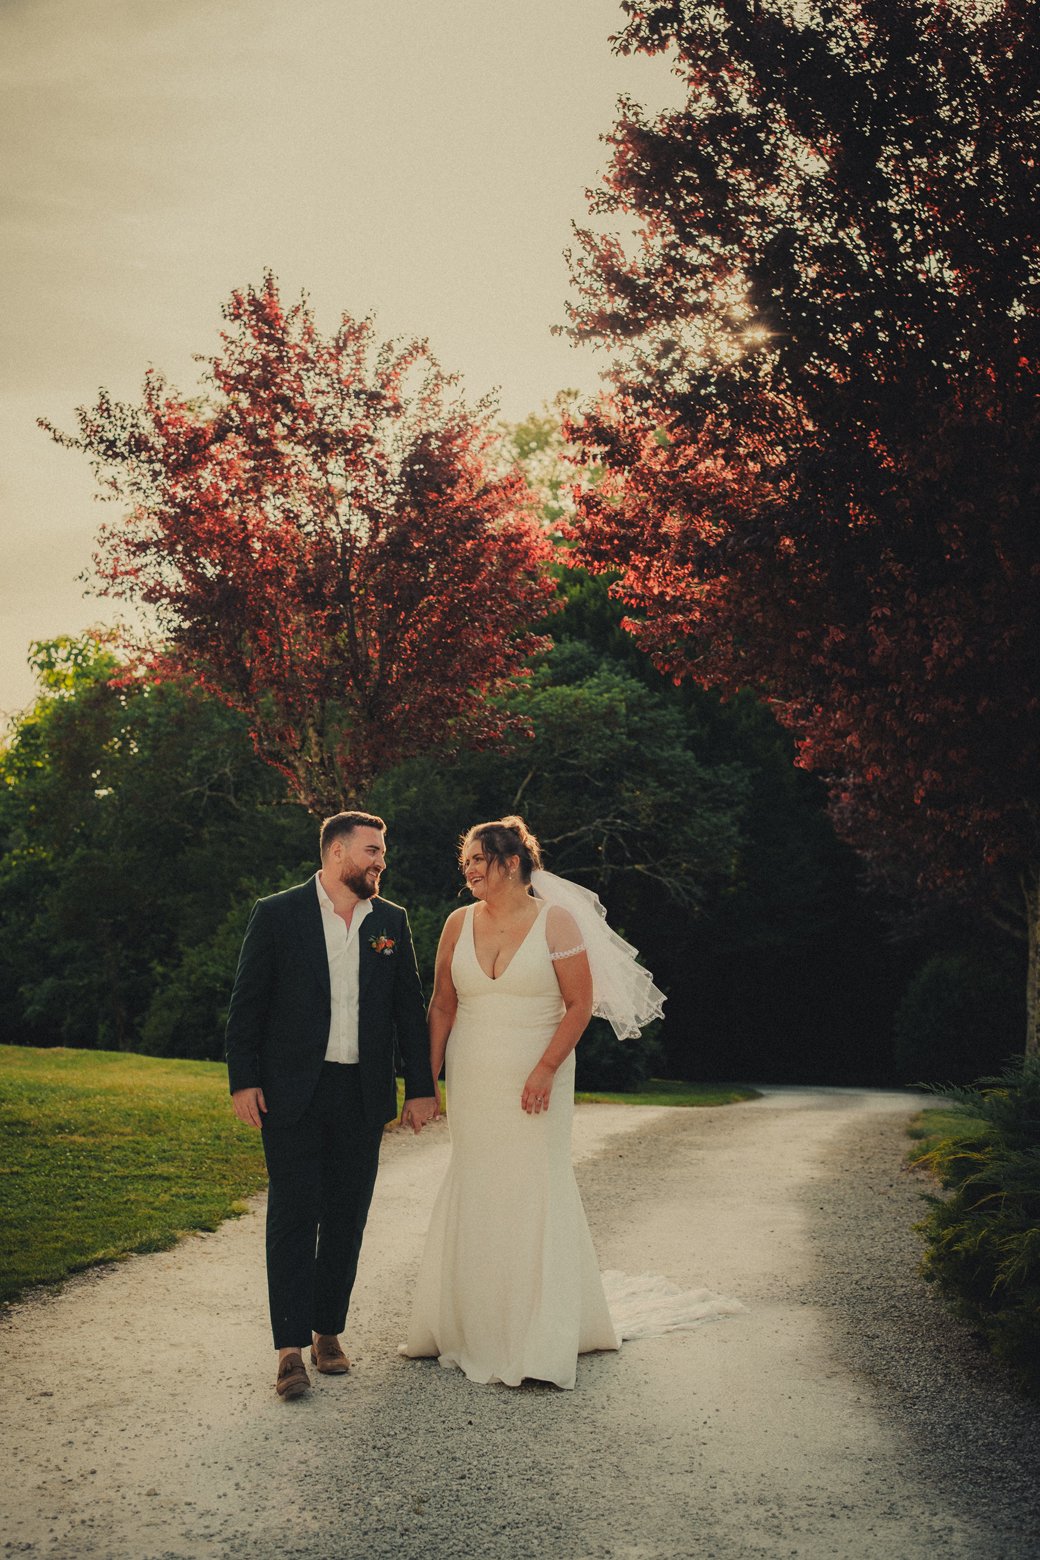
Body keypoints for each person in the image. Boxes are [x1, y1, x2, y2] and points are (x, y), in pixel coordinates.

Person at [399, 814, 667, 1390]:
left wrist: (546, 1067)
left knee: (532, 1185)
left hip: (539, 1076)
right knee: (477, 1181)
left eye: (478, 858)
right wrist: (427, 1079)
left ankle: (537, 1333)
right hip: (475, 1077)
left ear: (512, 863)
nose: (467, 868)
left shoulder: (557, 921)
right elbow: (443, 1005)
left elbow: (579, 1003)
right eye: (464, 860)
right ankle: (467, 1325)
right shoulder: (456, 923)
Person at [226, 809, 438, 1400]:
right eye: (372, 850)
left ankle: (327, 1333)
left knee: (347, 1214)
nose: (381, 861)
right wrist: (244, 1080)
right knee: (294, 1215)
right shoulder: (277, 914)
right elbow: (247, 1006)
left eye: (382, 852)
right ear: (338, 852)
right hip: (292, 1091)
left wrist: (421, 1086)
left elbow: (406, 1012)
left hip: (362, 1093)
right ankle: (288, 1351)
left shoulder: (389, 921)